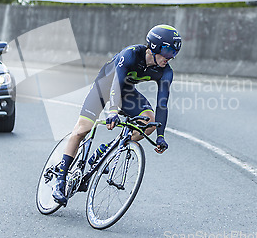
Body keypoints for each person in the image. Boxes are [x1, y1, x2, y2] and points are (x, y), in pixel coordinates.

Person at [52, 24, 182, 206]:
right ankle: (61, 176)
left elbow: (162, 104)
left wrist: (161, 136)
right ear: (154, 46)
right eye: (168, 52)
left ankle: (107, 149)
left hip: (127, 92)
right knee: (82, 130)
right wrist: (112, 111)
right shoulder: (130, 54)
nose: (171, 58)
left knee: (150, 124)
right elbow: (116, 82)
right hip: (105, 86)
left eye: (174, 53)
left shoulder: (166, 71)